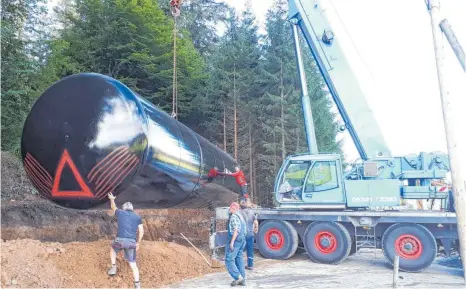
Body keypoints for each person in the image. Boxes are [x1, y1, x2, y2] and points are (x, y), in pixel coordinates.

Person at [107, 193, 144, 289]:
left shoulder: (120, 212)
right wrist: (138, 243)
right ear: (132, 209)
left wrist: (112, 199)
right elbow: (141, 231)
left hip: (120, 240)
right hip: (132, 242)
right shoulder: (137, 217)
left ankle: (113, 267)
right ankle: (137, 284)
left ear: (124, 208)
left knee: (113, 249)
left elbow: (113, 207)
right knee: (133, 264)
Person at [225, 202, 247, 286]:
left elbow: (236, 230)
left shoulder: (234, 216)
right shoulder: (240, 216)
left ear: (233, 208)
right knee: (239, 258)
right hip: (242, 240)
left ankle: (238, 277)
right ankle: (243, 280)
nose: (229, 210)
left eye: (230, 208)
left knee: (229, 259)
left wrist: (232, 242)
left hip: (236, 240)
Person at [239, 198, 258, 270]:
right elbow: (255, 222)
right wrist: (256, 228)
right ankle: (250, 265)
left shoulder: (239, 213)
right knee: (250, 250)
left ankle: (240, 265)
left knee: (240, 250)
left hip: (242, 235)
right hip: (250, 234)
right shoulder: (251, 212)